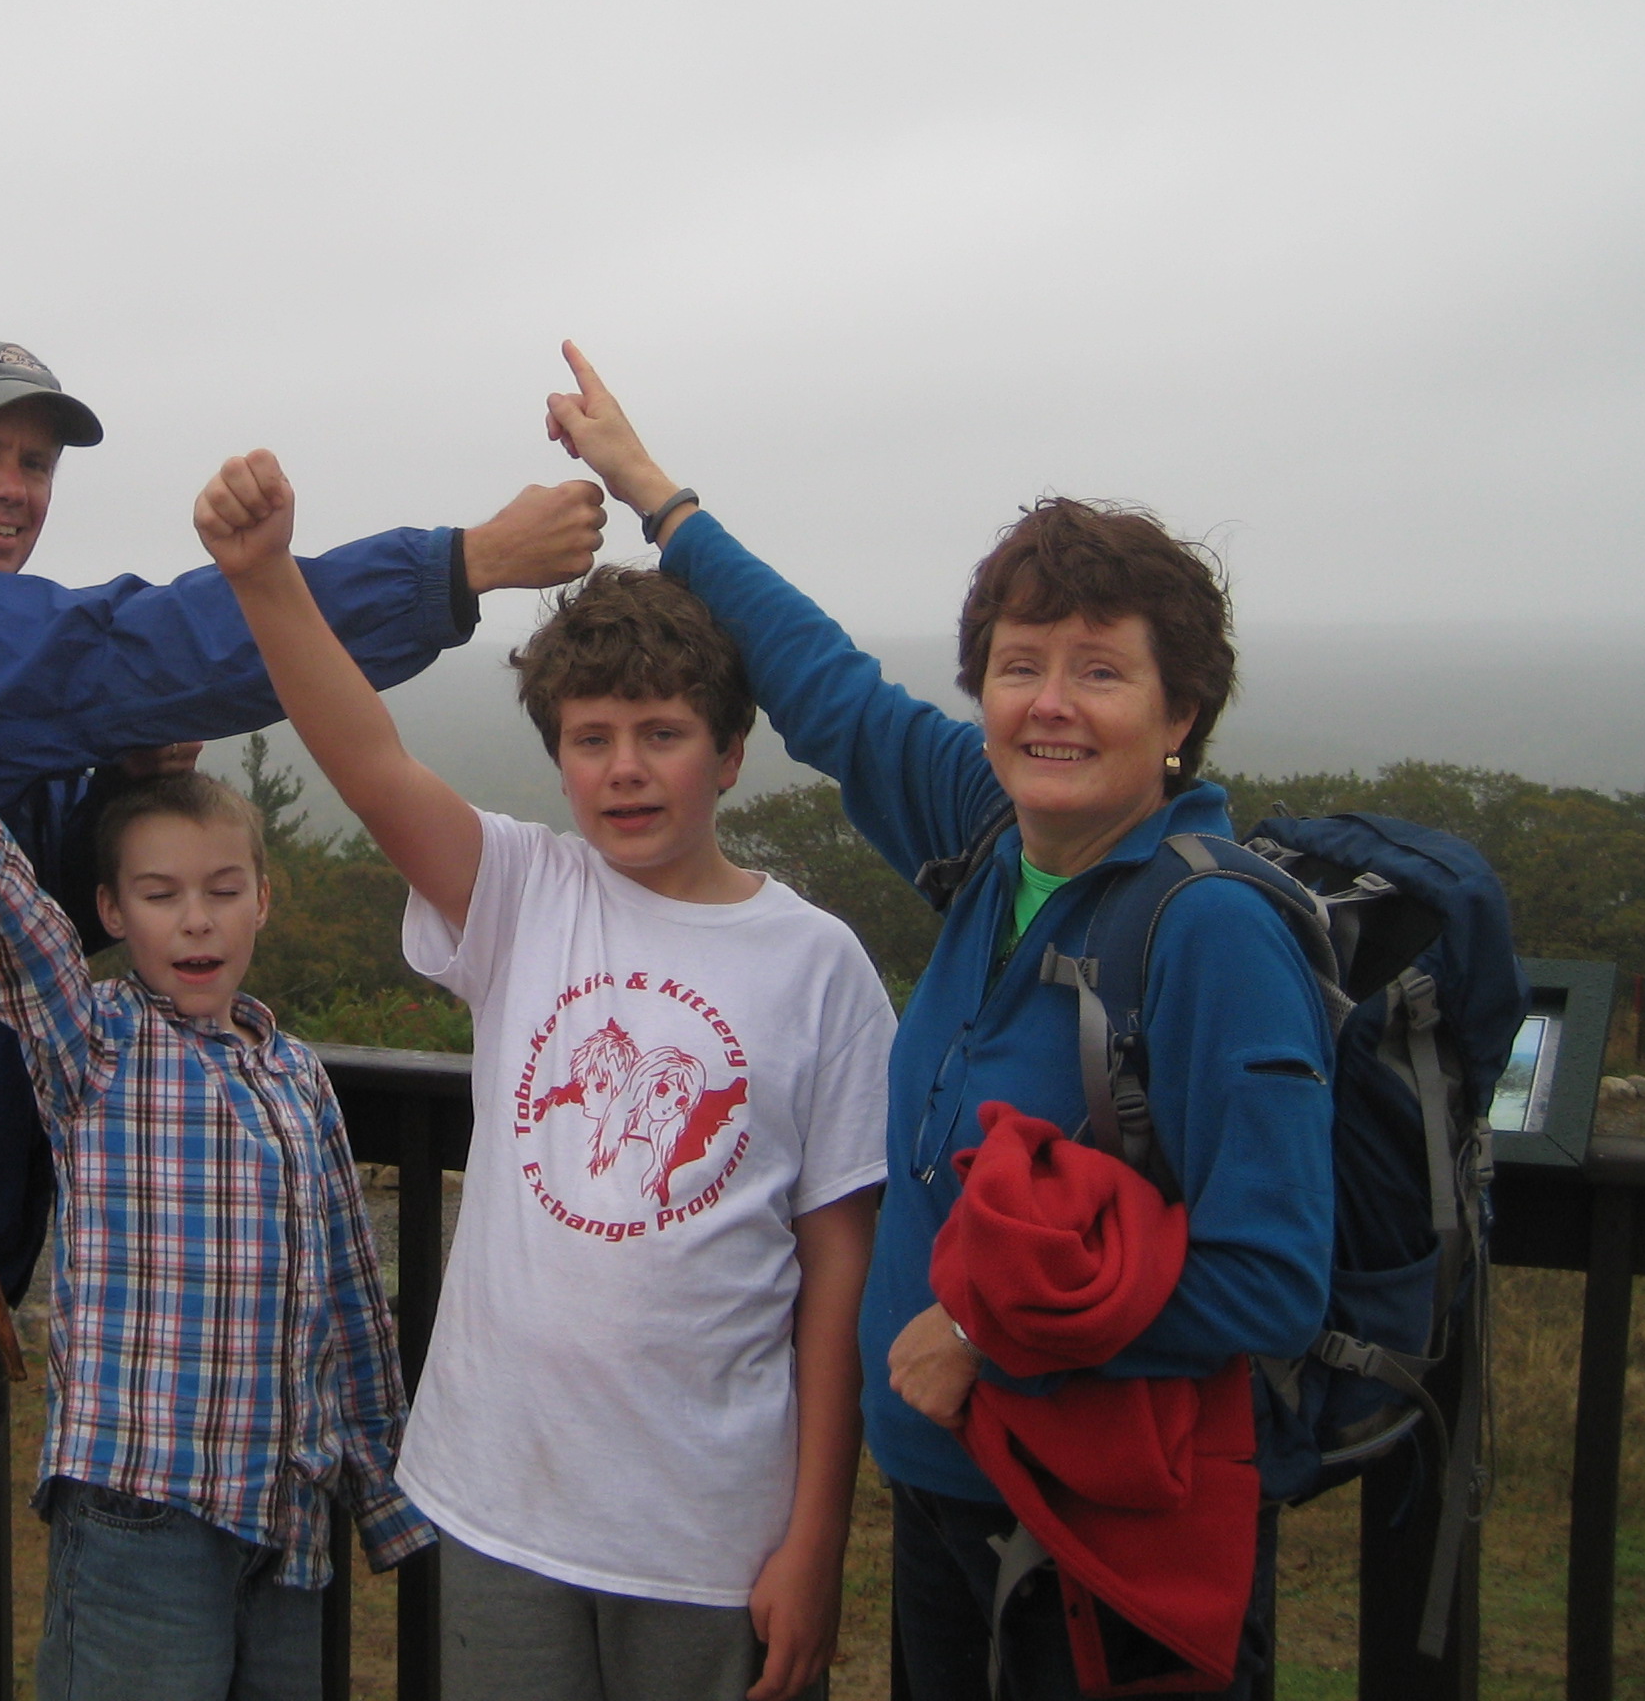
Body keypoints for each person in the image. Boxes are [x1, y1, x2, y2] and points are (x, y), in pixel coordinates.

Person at [0, 342, 605, 1701]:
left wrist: (124, 782)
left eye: (36, 462)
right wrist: (457, 567)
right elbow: (121, 649)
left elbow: (25, 899)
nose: (14, 485)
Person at [541, 343, 1336, 1701]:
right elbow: (828, 692)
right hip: (951, 1502)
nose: (1050, 704)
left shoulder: (1212, 931)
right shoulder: (993, 838)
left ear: (1182, 714)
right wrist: (654, 495)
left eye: (1101, 672)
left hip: (1110, 1540)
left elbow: (1271, 1279)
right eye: (1019, 668)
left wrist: (985, 1337)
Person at [194, 448, 893, 1701]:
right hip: (499, 1497)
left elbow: (840, 1264)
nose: (624, 767)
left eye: (663, 734)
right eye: (591, 738)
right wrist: (263, 579)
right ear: (558, 755)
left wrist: (816, 1536)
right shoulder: (523, 892)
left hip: (712, 1532)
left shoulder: (817, 964)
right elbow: (370, 761)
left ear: (731, 754)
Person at [0, 648, 429, 1701]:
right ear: (111, 911)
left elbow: (348, 1295)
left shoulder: (296, 1076)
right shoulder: (95, 1043)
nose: (195, 918)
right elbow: (3, 912)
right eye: (161, 895)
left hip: (288, 1522)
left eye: (223, 890)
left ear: (262, 902)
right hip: (141, 1506)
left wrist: (385, 1494)